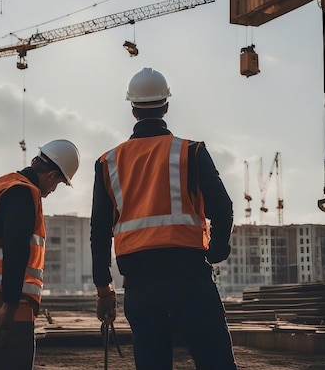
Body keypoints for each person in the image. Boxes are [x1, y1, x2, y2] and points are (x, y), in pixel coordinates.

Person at [90, 68, 237, 370]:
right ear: (166, 106)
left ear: (132, 110)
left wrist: (104, 289)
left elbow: (99, 232)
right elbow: (222, 207)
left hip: (140, 285)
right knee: (216, 362)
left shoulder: (108, 162)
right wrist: (218, 249)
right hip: (189, 277)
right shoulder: (190, 152)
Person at [0, 139, 80, 370]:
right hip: (4, 307)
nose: (53, 190)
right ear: (52, 175)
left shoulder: (2, 185)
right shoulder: (24, 194)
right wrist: (9, 304)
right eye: (58, 184)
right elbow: (16, 250)